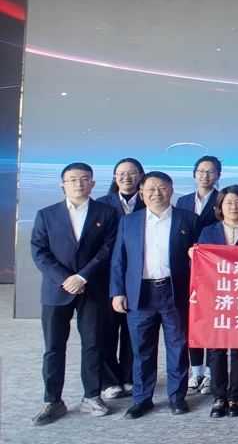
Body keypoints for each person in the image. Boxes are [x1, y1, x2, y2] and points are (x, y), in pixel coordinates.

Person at [31, 162, 120, 426]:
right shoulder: (46, 214)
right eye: (72, 180)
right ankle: (52, 401)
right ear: (63, 185)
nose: (78, 184)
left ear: (93, 183)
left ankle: (91, 396)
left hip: (92, 287)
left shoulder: (106, 212)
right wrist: (65, 279)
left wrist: (82, 276)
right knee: (53, 347)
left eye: (84, 179)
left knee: (93, 343)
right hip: (56, 289)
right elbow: (39, 252)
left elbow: (109, 248)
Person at [110, 171, 200, 418]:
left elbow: (201, 257)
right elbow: (119, 259)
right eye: (150, 189)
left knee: (178, 347)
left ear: (171, 191)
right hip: (140, 293)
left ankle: (177, 397)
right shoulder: (129, 221)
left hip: (175, 291)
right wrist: (117, 292)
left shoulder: (188, 219)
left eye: (162, 188)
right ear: (142, 193)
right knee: (142, 349)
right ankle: (142, 399)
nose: (156, 193)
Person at [192, 185, 238, 418]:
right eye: (228, 202)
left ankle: (235, 397)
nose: (234, 207)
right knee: (216, 349)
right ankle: (219, 397)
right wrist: (194, 255)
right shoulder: (208, 232)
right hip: (215, 298)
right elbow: (200, 267)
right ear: (220, 207)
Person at [97, 158, 143, 400]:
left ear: (140, 176)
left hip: (139, 277)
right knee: (106, 330)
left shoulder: (149, 202)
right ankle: (109, 380)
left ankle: (128, 377)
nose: (126, 177)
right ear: (115, 177)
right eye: (121, 173)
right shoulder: (102, 205)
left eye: (132, 172)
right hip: (106, 277)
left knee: (132, 330)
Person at [175, 155, 221, 393]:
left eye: (211, 171)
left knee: (210, 321)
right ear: (194, 174)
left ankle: (212, 373)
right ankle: (196, 371)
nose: (205, 175)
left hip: (212, 271)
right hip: (186, 269)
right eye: (201, 171)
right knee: (191, 321)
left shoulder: (222, 200)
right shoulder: (182, 201)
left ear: (218, 176)